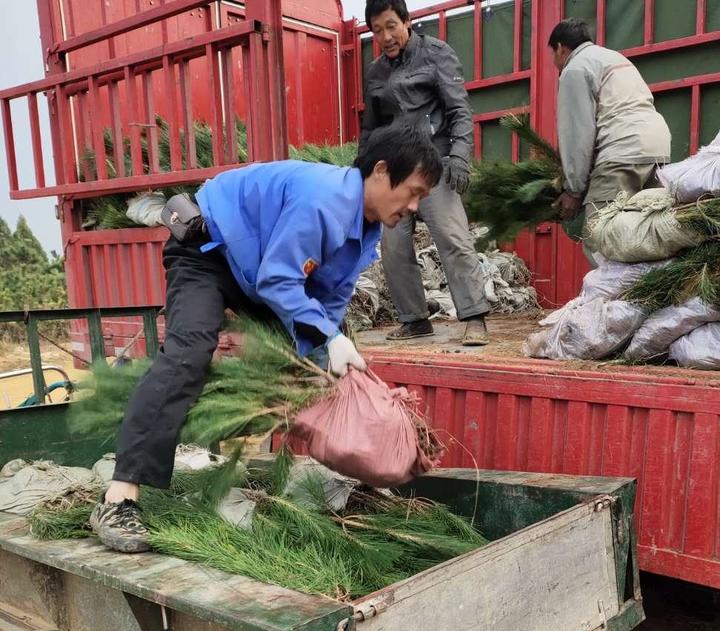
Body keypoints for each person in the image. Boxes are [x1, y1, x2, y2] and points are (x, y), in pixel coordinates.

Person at [89, 121, 443, 554]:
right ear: (382, 171)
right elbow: (280, 281)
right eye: (413, 191)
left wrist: (324, 352)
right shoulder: (326, 200)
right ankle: (120, 498)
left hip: (257, 272)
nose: (414, 206)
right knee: (189, 355)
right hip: (209, 252)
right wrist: (329, 338)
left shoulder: (366, 231)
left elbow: (327, 299)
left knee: (303, 370)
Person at [359, 0, 491, 346]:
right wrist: (361, 173)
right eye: (377, 31)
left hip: (436, 167)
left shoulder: (436, 54)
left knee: (452, 239)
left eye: (391, 26)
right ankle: (415, 320)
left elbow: (460, 110)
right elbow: (370, 129)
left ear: (407, 21)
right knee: (393, 247)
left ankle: (474, 315)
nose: (385, 36)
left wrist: (460, 157)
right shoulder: (375, 73)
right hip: (397, 174)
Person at [548, 18, 671, 261]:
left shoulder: (574, 68)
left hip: (623, 150)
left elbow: (578, 133)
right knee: (647, 233)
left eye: (552, 54)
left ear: (561, 47)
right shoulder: (615, 58)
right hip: (657, 145)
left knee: (600, 238)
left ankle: (619, 298)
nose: (554, 62)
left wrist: (573, 189)